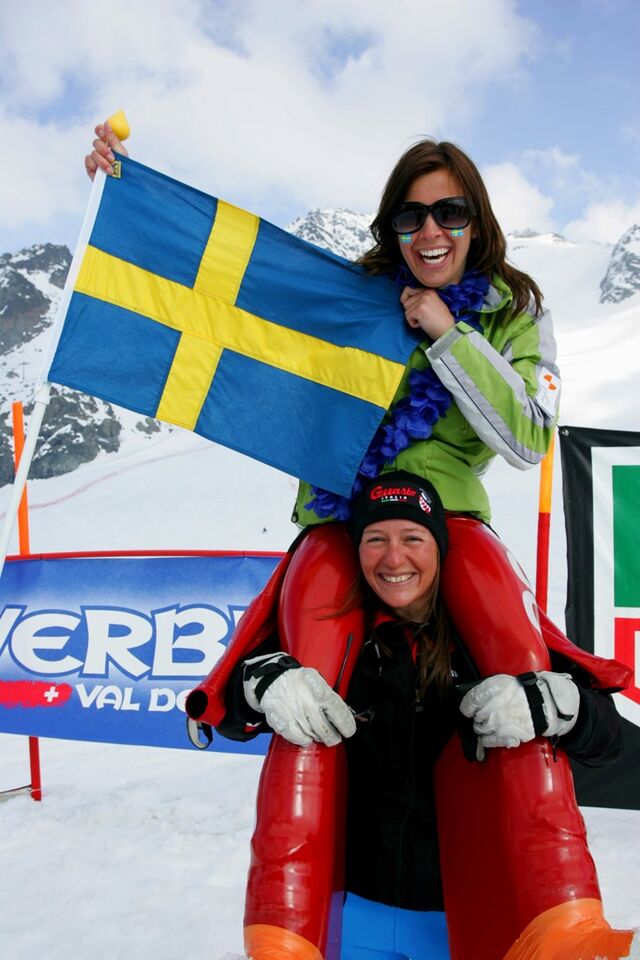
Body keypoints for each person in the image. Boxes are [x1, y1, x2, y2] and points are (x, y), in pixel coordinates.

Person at [85, 128, 635, 957]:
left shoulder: (512, 310)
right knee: (303, 684)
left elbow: (528, 436)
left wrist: (448, 334)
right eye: (410, 217)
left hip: (450, 518)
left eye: (450, 212)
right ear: (390, 229)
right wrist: (126, 194)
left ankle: (561, 913)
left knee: (509, 648)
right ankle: (284, 929)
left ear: (478, 219)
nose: (430, 232)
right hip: (337, 512)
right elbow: (234, 292)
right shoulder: (353, 295)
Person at [212, 471, 624, 960]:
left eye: (412, 538)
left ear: (439, 548)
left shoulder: (490, 642)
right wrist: (259, 685)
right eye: (376, 539)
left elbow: (608, 739)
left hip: (461, 919)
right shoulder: (331, 640)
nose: (393, 558)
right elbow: (230, 719)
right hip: (352, 913)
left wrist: (561, 706)